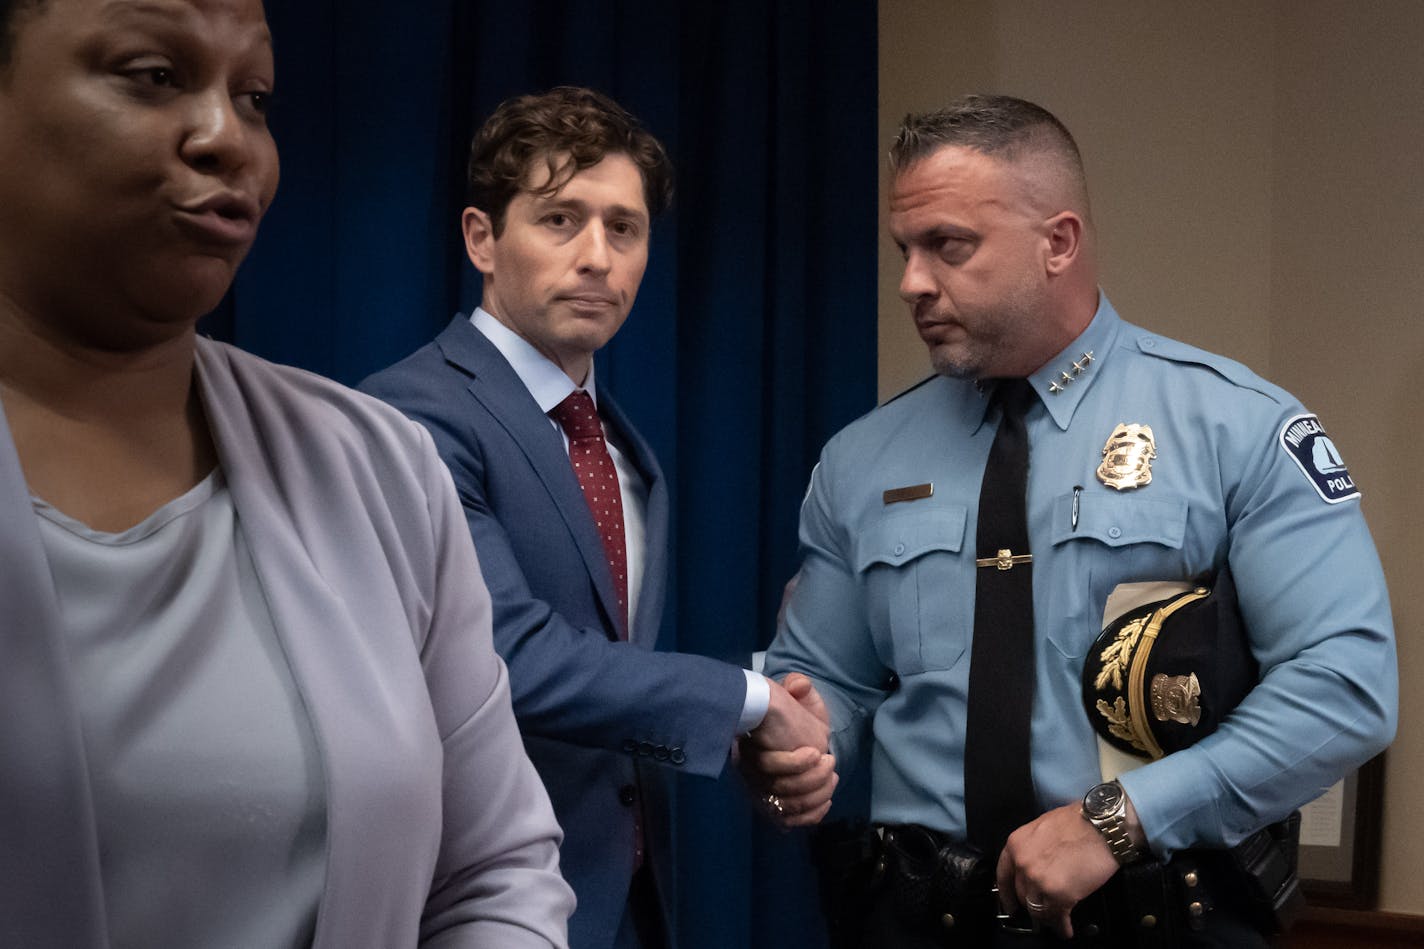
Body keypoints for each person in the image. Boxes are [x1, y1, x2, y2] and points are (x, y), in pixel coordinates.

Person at [759, 95, 1397, 947]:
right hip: (917, 916)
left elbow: (1345, 685)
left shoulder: (1235, 427)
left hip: (1156, 915)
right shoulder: (860, 460)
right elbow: (827, 678)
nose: (913, 280)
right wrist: (797, 736)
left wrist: (1118, 818)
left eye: (949, 245)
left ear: (1058, 242)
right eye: (905, 250)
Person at [0, 1, 573, 946]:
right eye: (153, 75)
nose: (230, 140)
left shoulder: (378, 467)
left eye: (255, 96)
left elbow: (496, 870)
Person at [360, 86, 833, 949]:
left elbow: (611, 673)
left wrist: (758, 735)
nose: (596, 257)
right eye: (559, 220)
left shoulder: (625, 447)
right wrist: (749, 701)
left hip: (633, 905)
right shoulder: (406, 418)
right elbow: (509, 657)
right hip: (471, 907)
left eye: (624, 228)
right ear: (481, 239)